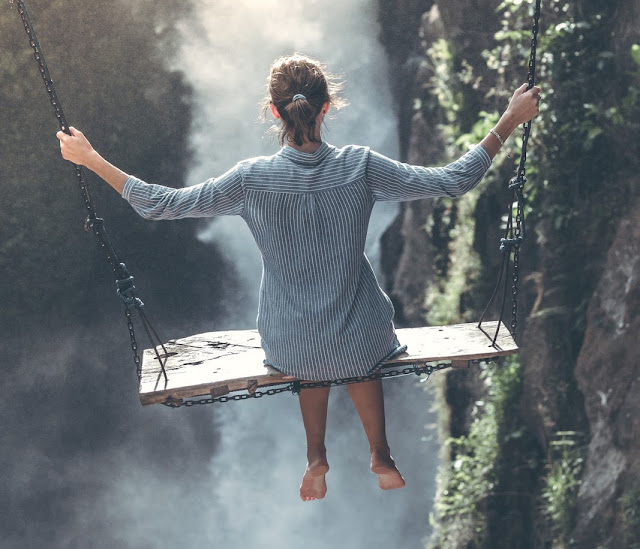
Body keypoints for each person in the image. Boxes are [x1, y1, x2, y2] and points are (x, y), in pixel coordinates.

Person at [57, 53, 540, 502]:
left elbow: (161, 204)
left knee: (309, 348)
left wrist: (91, 158)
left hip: (291, 342)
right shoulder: (360, 166)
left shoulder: (250, 179)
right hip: (361, 336)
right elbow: (454, 180)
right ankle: (381, 453)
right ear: (328, 107)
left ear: (273, 112)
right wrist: (509, 122)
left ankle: (316, 456)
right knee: (359, 340)